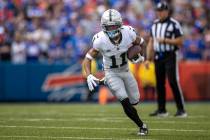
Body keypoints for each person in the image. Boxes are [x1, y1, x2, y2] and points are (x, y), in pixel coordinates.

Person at [82, 9, 148, 136]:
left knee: (135, 101)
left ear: (120, 25)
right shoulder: (100, 40)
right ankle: (142, 126)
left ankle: (105, 81)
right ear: (103, 27)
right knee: (125, 101)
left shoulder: (129, 33)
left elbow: (142, 43)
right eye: (108, 26)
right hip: (111, 72)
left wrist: (142, 57)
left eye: (114, 26)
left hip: (125, 70)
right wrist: (89, 75)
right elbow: (87, 58)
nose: (111, 29)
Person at [145, 2, 187, 117]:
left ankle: (181, 109)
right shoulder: (154, 25)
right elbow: (151, 42)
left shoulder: (174, 24)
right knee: (159, 83)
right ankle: (161, 109)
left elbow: (180, 41)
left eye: (161, 11)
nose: (159, 13)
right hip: (158, 56)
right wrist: (148, 58)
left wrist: (166, 40)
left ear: (167, 11)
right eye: (158, 11)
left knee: (173, 81)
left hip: (170, 55)